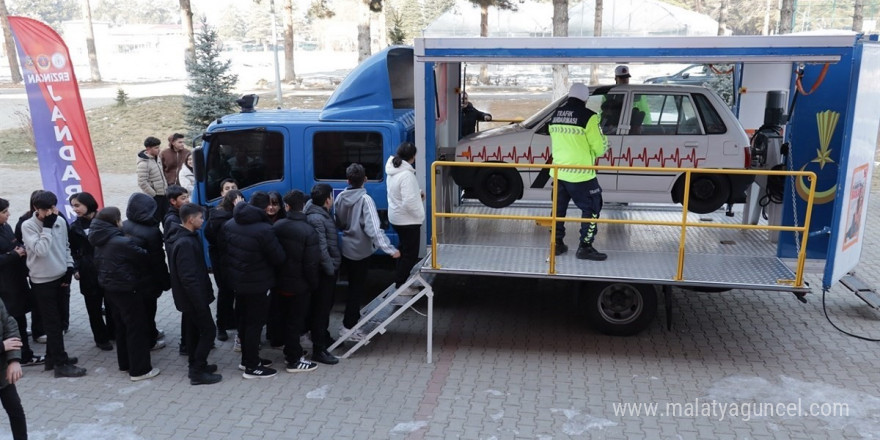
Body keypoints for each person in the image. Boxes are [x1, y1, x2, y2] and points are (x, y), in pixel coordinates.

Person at [89, 207, 159, 382]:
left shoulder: (99, 239)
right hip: (128, 289)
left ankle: (125, 363)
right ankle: (140, 369)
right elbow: (144, 257)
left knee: (121, 326)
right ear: (115, 221)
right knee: (136, 328)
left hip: (110, 288)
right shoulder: (122, 242)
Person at [20, 191, 86, 378]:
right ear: (35, 209)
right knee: (53, 324)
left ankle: (53, 357)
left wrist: (69, 269)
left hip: (60, 277)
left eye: (52, 208)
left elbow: (65, 247)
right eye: (45, 210)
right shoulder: (29, 226)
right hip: (42, 281)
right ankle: (60, 364)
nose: (50, 213)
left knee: (60, 320)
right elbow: (40, 250)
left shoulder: (60, 221)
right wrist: (47, 228)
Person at [222, 193, 285, 379]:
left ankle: (247, 359)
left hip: (238, 282)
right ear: (264, 207)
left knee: (243, 320)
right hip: (258, 285)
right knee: (254, 325)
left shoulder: (230, 223)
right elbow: (278, 257)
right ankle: (252, 366)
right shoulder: (264, 229)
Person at [334, 164, 400, 341]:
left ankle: (352, 319)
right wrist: (390, 250)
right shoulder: (366, 200)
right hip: (361, 252)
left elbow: (339, 221)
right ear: (365, 180)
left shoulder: (339, 197)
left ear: (347, 180)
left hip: (346, 249)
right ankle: (348, 327)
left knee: (351, 288)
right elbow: (374, 230)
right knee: (356, 290)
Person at [549, 83, 608, 261]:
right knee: (592, 208)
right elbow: (599, 148)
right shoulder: (589, 117)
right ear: (585, 98)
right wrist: (605, 144)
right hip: (581, 174)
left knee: (557, 211)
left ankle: (557, 244)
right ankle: (585, 247)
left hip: (559, 172)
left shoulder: (556, 114)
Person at [167, 203, 222, 385]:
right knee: (208, 331)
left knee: (193, 333)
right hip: (193, 299)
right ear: (191, 219)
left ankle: (197, 364)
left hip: (190, 298)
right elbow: (189, 277)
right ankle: (197, 371)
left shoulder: (186, 237)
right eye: (200, 218)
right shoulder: (185, 243)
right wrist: (199, 302)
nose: (203, 221)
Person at [271, 190, 324, 371]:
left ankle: (291, 351)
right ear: (303, 206)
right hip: (300, 285)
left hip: (280, 283)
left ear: (286, 206)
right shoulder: (309, 231)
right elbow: (311, 263)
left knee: (285, 319)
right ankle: (294, 359)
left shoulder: (277, 226)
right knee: (295, 322)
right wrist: (313, 284)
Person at [122, 193, 170, 351]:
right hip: (147, 278)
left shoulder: (124, 225)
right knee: (149, 310)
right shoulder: (152, 232)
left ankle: (152, 332)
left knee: (142, 310)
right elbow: (158, 260)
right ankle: (150, 339)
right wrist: (165, 281)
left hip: (131, 277)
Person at [0, 198, 44, 368]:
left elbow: (15, 243)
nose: (8, 215)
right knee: (15, 320)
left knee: (20, 318)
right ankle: (23, 356)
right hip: (5, 286)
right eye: (4, 212)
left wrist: (21, 249)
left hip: (17, 280)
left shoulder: (6, 227)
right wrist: (13, 255)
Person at [68, 193, 114, 351]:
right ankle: (101, 338)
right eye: (73, 206)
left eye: (78, 205)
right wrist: (75, 268)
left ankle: (113, 332)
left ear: (88, 204)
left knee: (111, 304)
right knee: (93, 308)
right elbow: (72, 250)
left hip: (107, 269)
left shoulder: (105, 220)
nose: (75, 209)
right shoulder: (75, 227)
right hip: (88, 272)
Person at [304, 184, 341, 351]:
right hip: (324, 270)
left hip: (326, 269)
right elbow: (322, 248)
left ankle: (322, 335)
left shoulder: (320, 214)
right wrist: (331, 268)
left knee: (324, 307)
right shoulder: (317, 218)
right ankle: (319, 346)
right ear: (328, 199)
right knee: (321, 308)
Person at [385, 142, 425, 290]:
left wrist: (417, 194)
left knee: (403, 250)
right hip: (408, 220)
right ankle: (401, 284)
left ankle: (400, 280)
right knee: (410, 254)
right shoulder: (407, 175)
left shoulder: (393, 170)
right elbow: (409, 202)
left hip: (396, 217)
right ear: (413, 157)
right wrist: (419, 214)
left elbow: (400, 194)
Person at [204, 188, 243, 342]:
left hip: (222, 259)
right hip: (224, 260)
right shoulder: (225, 219)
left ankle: (226, 323)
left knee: (226, 293)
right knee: (226, 292)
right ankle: (221, 326)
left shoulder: (217, 214)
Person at [0, 298, 27, 440]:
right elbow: (6, 343)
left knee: (16, 411)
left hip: (2, 373)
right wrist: (2, 346)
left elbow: (10, 327)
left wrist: (14, 360)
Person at [137, 136, 169, 223]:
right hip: (155, 197)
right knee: (155, 220)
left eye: (159, 147)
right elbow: (142, 182)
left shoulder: (157, 158)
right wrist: (154, 194)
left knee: (167, 218)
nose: (159, 149)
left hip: (164, 195)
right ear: (148, 149)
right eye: (156, 148)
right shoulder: (143, 163)